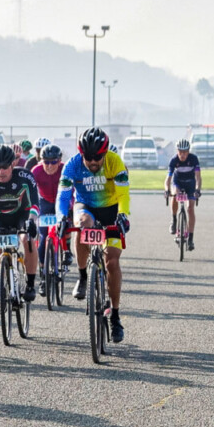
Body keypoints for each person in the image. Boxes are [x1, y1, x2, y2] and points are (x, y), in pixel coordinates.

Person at [57, 127, 131, 343]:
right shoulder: (72, 165)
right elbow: (63, 197)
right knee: (82, 225)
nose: (92, 162)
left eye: (97, 157)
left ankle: (115, 316)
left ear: (105, 152)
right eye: (87, 157)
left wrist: (123, 216)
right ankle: (82, 276)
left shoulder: (115, 162)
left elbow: (124, 195)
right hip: (86, 206)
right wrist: (62, 217)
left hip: (111, 209)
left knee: (112, 263)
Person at [0, 144, 40, 305]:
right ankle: (0, 290)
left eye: (4, 167)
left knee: (28, 240)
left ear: (12, 164)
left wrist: (31, 220)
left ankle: (30, 284)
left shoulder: (25, 176)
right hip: (1, 216)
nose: (1, 171)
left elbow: (35, 204)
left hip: (23, 214)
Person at [31, 142, 71, 264]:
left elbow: (73, 190)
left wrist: (71, 205)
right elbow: (30, 193)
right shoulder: (36, 171)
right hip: (45, 202)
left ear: (59, 161)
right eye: (46, 162)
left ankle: (67, 251)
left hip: (63, 201)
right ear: (41, 161)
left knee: (66, 225)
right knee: (43, 236)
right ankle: (43, 269)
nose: (49, 166)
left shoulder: (66, 169)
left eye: (53, 162)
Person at [166, 139, 202, 250]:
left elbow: (198, 177)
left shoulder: (194, 159)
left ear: (188, 151)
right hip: (178, 182)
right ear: (177, 151)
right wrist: (167, 189)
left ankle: (190, 239)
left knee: (190, 209)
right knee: (174, 194)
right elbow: (168, 178)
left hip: (190, 183)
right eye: (180, 152)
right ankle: (174, 219)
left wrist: (197, 189)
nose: (182, 155)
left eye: (185, 152)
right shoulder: (174, 160)